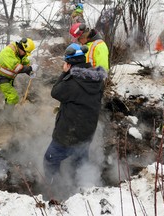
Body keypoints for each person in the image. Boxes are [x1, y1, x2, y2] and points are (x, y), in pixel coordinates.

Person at [43, 43, 107, 186]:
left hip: (69, 134)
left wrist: (64, 73)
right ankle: (82, 189)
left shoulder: (72, 83)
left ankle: (53, 188)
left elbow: (55, 92)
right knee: (79, 161)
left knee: (50, 159)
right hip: (87, 131)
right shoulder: (96, 79)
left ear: (69, 64)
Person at [0, 38, 39, 105]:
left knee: (9, 97)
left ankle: (6, 111)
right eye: (25, 52)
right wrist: (30, 68)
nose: (25, 54)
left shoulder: (19, 53)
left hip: (8, 78)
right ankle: (7, 115)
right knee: (13, 97)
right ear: (21, 47)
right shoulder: (8, 52)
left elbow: (24, 62)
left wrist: (30, 72)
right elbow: (16, 68)